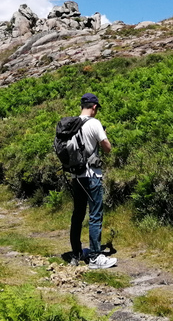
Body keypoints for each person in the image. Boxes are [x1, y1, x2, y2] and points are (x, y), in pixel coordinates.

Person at [69, 93, 117, 269]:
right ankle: (96, 257)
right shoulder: (94, 123)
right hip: (92, 176)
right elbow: (108, 148)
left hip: (76, 177)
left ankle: (76, 254)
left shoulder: (72, 125)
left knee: (77, 215)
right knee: (95, 215)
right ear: (94, 107)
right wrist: (102, 134)